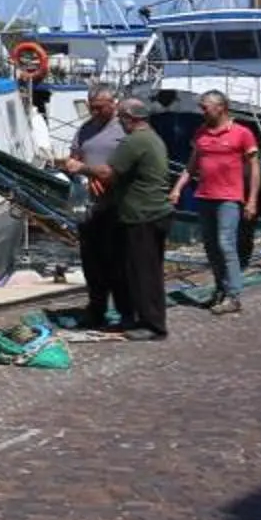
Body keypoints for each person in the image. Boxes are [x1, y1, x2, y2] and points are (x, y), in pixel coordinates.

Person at [169, 91, 260, 313]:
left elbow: (254, 168)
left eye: (205, 107)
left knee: (226, 244)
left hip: (229, 198)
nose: (202, 111)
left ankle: (234, 296)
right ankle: (220, 288)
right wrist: (177, 188)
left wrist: (252, 200)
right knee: (211, 247)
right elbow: (191, 166)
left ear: (221, 108)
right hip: (205, 197)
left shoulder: (242, 133)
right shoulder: (201, 133)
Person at [96, 98, 172, 340]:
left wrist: (80, 168)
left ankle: (153, 325)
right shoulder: (153, 137)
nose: (119, 122)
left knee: (144, 272)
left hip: (142, 215)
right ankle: (138, 318)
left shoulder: (134, 141)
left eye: (121, 117)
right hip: (155, 213)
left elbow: (108, 173)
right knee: (141, 269)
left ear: (130, 118)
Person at [60, 85, 127, 327]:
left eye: (100, 108)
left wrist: (97, 174)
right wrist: (80, 171)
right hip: (87, 201)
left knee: (117, 258)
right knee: (91, 258)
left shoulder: (124, 128)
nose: (95, 112)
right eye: (92, 108)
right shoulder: (85, 129)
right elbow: (73, 159)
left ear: (113, 104)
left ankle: (125, 310)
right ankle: (96, 307)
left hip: (117, 201)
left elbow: (130, 164)